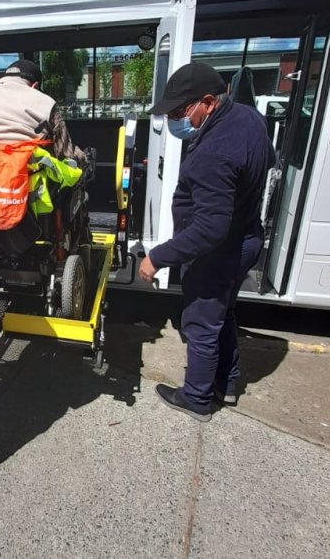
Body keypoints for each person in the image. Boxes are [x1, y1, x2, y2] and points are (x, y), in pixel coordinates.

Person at [138, 62, 274, 422]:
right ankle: (226, 384)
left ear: (209, 102)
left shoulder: (215, 151)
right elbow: (268, 161)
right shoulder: (250, 119)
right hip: (247, 237)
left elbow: (211, 228)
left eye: (181, 111)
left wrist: (158, 256)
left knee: (199, 321)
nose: (175, 120)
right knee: (222, 313)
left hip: (219, 249)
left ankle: (197, 398)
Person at [0, 59, 85, 164]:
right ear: (35, 86)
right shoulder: (46, 103)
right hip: (26, 184)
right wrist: (83, 158)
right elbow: (65, 154)